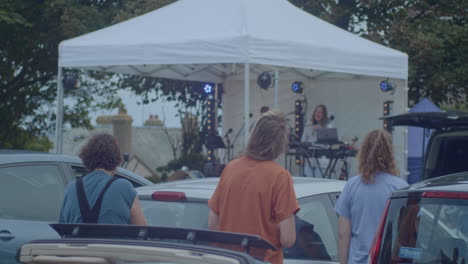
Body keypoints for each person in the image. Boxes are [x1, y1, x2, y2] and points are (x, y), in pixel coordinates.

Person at [208, 111, 300, 264]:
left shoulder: (231, 168)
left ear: (253, 137)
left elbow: (212, 224)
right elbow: (288, 239)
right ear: (280, 143)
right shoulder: (280, 176)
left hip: (228, 259)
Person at [334, 129, 408, 264]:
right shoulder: (400, 187)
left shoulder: (351, 186)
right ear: (390, 153)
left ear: (364, 152)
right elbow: (408, 233)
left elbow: (343, 234)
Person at [59, 133, 147, 225]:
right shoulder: (124, 187)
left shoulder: (71, 188)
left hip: (77, 239)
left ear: (87, 159)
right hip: (113, 239)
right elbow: (141, 229)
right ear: (117, 160)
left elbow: (62, 227)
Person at [301, 104, 333, 177]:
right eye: (316, 111)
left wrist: (320, 130)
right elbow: (303, 141)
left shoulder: (328, 126)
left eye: (320, 112)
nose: (318, 114)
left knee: (319, 181)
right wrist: (302, 156)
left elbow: (329, 143)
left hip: (322, 159)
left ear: (324, 114)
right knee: (308, 180)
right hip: (309, 158)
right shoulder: (308, 125)